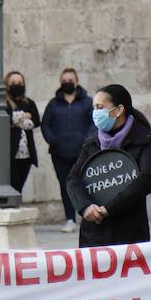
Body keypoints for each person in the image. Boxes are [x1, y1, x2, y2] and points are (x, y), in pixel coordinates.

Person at [66, 85, 151, 248]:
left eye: (100, 107)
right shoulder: (92, 142)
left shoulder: (144, 139)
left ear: (118, 110)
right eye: (94, 108)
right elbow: (73, 179)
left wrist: (108, 208)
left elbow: (145, 180)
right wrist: (85, 206)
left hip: (130, 233)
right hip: (94, 233)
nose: (95, 112)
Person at [41, 68, 94, 233]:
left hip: (82, 153)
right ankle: (70, 218)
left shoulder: (87, 102)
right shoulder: (53, 104)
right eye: (64, 80)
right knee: (65, 186)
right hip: (60, 153)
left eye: (70, 79)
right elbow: (45, 125)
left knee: (85, 184)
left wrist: (85, 141)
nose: (67, 83)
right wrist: (54, 141)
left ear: (76, 81)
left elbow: (93, 123)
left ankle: (88, 215)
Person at [4, 71, 42, 194]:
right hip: (10, 152)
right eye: (13, 83)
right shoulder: (4, 103)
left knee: (19, 185)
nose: (17, 85)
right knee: (11, 185)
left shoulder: (28, 103)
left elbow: (36, 120)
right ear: (7, 85)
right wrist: (25, 116)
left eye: (20, 82)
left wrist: (17, 120)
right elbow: (6, 119)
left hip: (26, 153)